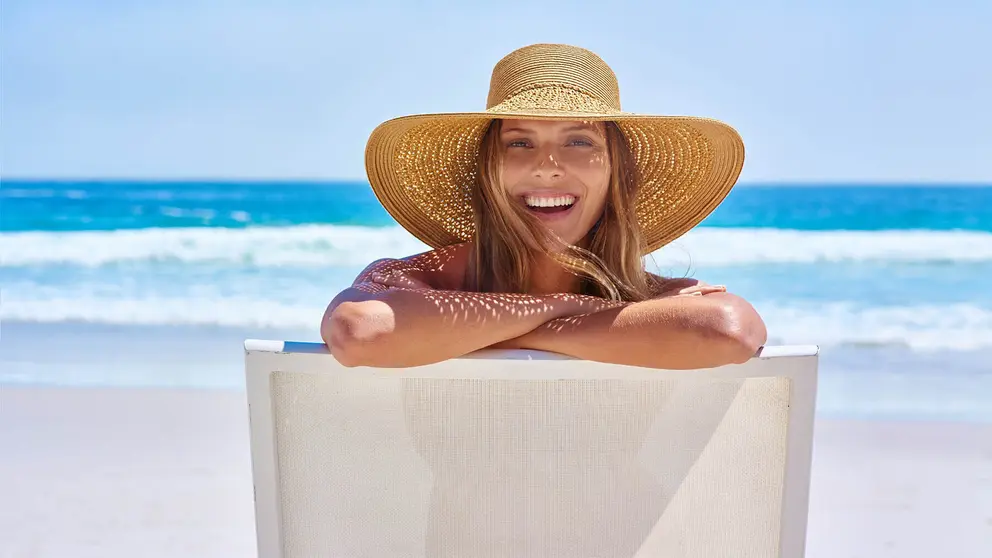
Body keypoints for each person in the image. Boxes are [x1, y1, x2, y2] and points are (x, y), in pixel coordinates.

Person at [321, 43, 766, 370]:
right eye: (519, 143)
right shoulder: (415, 278)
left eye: (578, 141)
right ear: (487, 171)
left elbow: (729, 330)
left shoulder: (660, 296)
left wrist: (503, 328)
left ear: (618, 173)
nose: (547, 168)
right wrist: (574, 309)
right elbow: (359, 332)